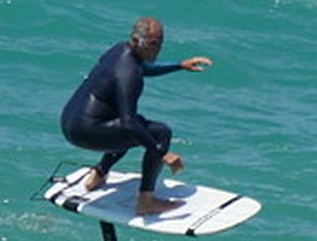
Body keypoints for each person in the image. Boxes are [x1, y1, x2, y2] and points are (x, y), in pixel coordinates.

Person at [59, 17, 211, 215]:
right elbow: (128, 123)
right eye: (153, 44)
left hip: (70, 122)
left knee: (136, 126)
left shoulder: (120, 50)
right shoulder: (129, 72)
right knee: (159, 133)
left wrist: (180, 65)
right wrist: (162, 153)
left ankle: (99, 173)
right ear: (137, 41)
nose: (157, 49)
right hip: (87, 133)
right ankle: (146, 202)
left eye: (160, 43)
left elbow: (143, 68)